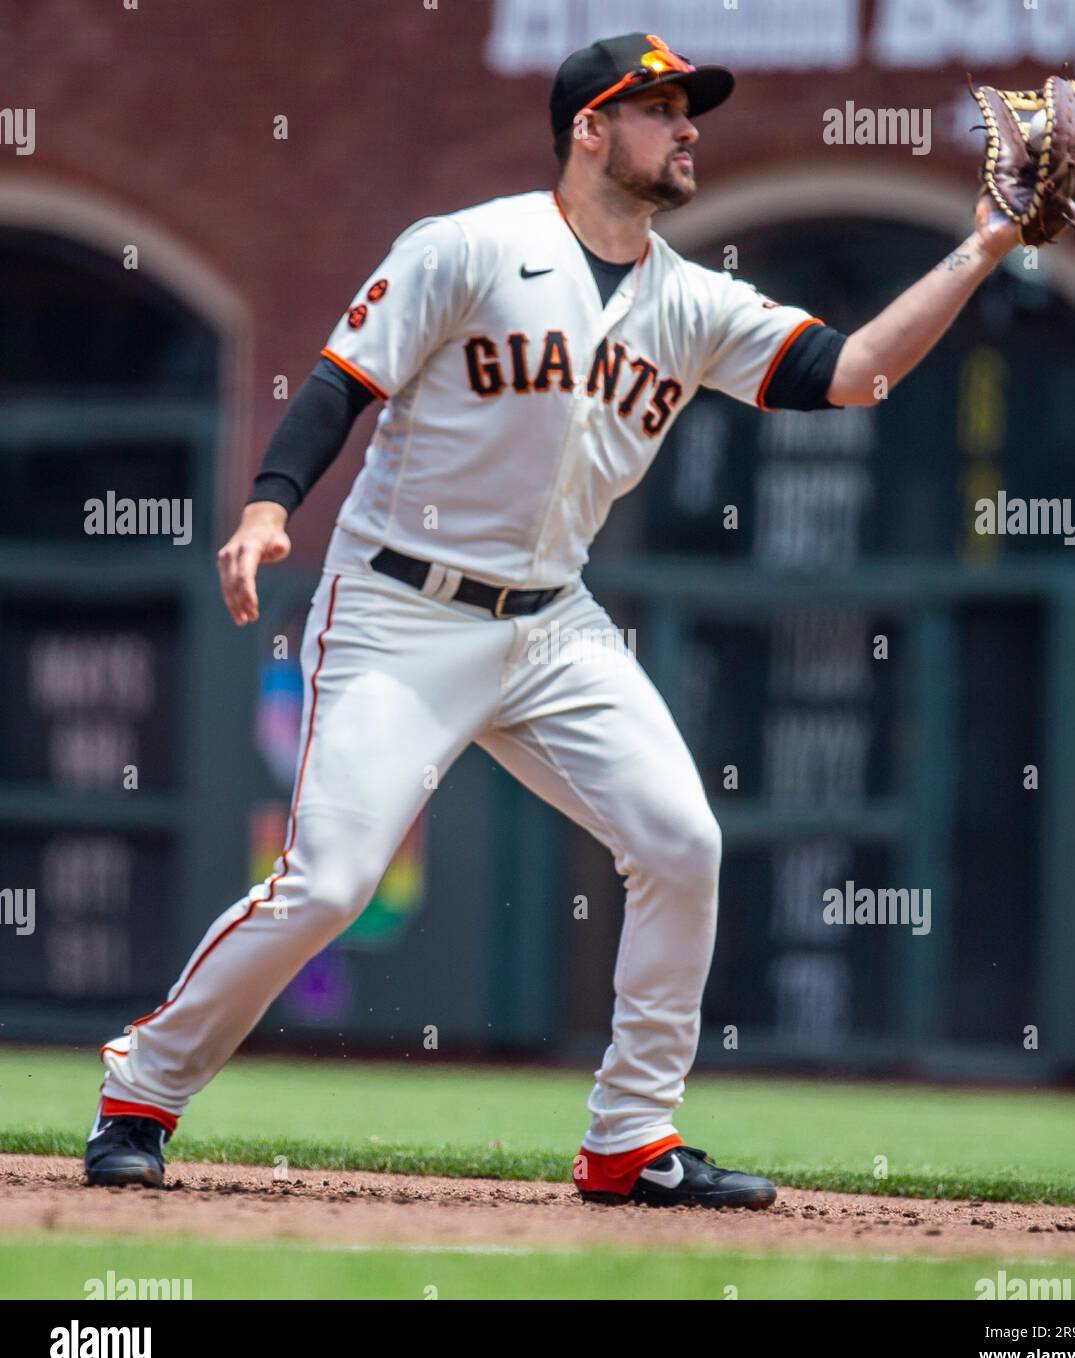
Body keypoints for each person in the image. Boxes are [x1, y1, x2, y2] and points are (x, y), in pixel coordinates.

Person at [84, 32, 1019, 1208]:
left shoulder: (691, 299)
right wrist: (270, 507)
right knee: (325, 885)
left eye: (692, 112)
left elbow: (854, 375)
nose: (689, 130)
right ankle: (143, 1087)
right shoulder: (472, 246)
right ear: (592, 126)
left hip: (554, 625)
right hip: (398, 608)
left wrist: (982, 249)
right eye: (664, 109)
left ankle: (632, 1139)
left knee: (683, 845)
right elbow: (339, 381)